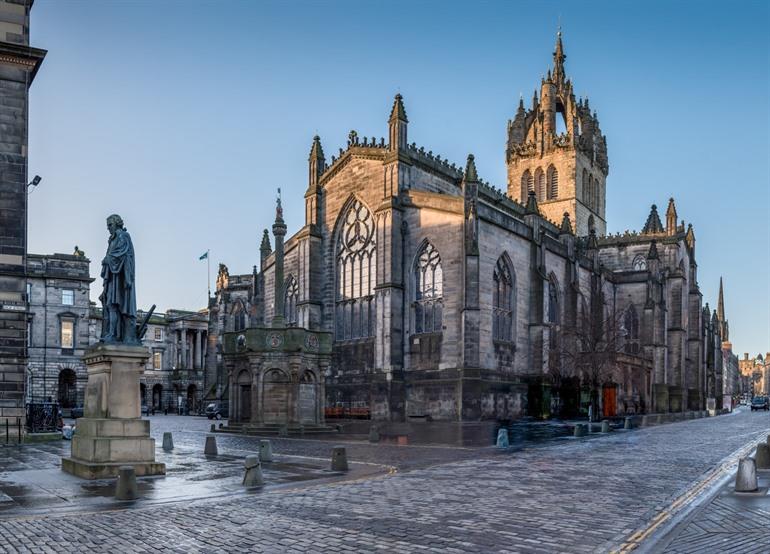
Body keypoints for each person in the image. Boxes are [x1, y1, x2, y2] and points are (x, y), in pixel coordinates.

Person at [99, 214, 138, 344]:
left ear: (117, 224)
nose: (108, 228)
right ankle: (112, 333)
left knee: (114, 305)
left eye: (110, 225)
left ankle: (113, 334)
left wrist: (108, 259)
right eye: (107, 226)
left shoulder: (123, 236)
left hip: (120, 279)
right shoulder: (112, 239)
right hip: (112, 277)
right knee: (110, 305)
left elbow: (123, 254)